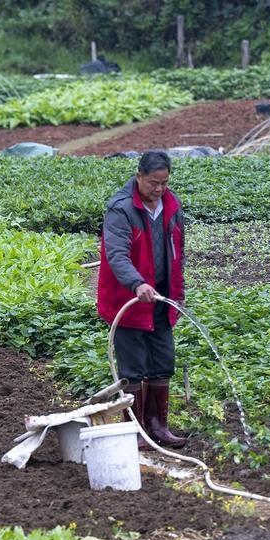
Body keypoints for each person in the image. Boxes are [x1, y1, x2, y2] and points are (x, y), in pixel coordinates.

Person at [96, 150, 188, 448]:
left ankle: (158, 425)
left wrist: (178, 292)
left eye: (164, 183)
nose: (159, 189)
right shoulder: (121, 209)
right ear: (139, 177)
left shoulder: (172, 206)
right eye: (153, 183)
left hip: (160, 297)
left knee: (163, 360)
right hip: (129, 301)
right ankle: (135, 430)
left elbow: (178, 254)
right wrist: (137, 283)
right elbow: (116, 255)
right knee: (133, 367)